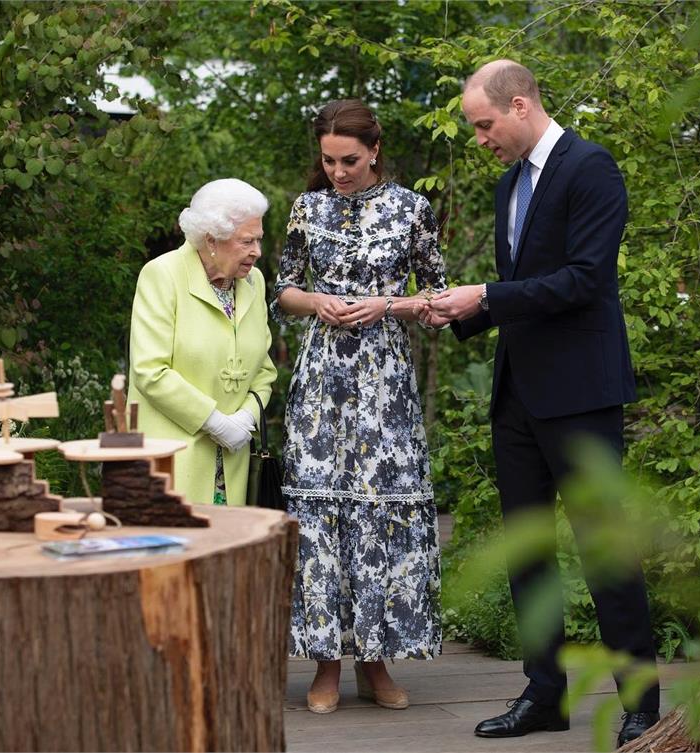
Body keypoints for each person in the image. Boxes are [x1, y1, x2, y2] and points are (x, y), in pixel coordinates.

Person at [422, 60, 660, 747]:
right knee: (528, 552)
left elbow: (584, 279)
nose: (479, 138)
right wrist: (459, 312)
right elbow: (525, 288)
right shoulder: (508, 186)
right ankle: (545, 694)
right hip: (518, 396)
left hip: (582, 395)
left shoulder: (591, 168)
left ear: (520, 105)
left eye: (484, 124)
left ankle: (642, 704)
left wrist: (488, 296)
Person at [273, 99, 447, 715]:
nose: (338, 171)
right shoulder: (308, 208)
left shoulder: (411, 209)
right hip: (321, 381)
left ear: (374, 150)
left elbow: (440, 296)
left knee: (379, 514)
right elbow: (282, 289)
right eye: (328, 160)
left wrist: (387, 306)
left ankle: (376, 662)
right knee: (321, 519)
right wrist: (315, 300)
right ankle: (325, 665)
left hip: (384, 381)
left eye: (349, 160)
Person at [128, 178, 276, 507]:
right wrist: (214, 422)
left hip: (232, 463)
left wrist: (245, 420)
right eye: (247, 241)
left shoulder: (254, 282)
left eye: (258, 240)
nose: (257, 252)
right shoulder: (162, 275)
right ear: (211, 240)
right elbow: (150, 370)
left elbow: (264, 372)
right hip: (172, 458)